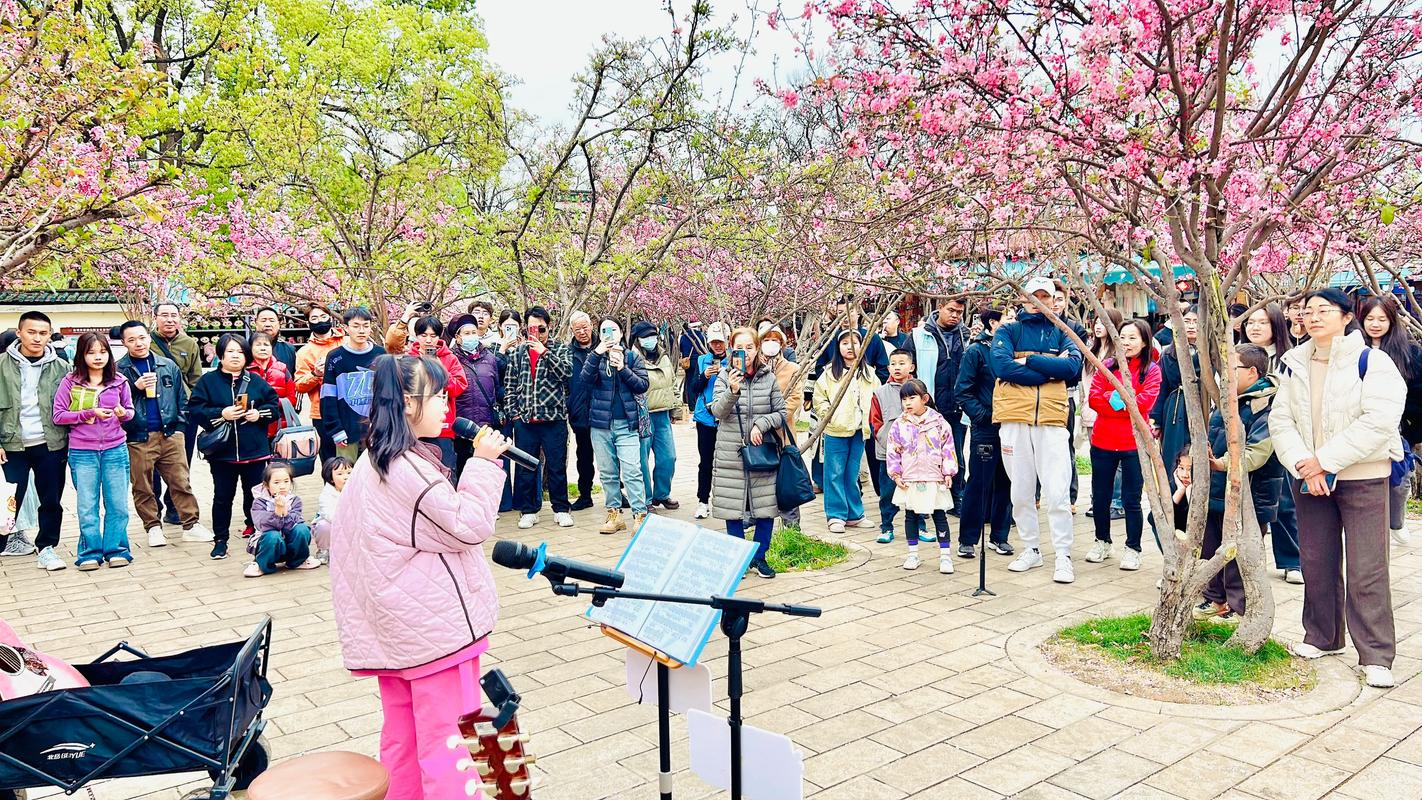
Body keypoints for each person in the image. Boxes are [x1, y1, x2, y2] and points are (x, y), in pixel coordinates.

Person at [330, 353, 512, 799]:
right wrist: (486, 463)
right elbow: (467, 526)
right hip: (433, 632)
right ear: (409, 403)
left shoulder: (377, 460)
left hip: (398, 633)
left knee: (405, 740)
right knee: (453, 744)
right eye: (440, 397)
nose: (448, 407)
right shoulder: (409, 469)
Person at [1270, 288, 1405, 689]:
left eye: (1323, 311)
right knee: (1316, 559)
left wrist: (1325, 460)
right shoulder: (1293, 363)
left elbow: (1378, 420)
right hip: (1310, 477)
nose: (1312, 317)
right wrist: (1303, 463)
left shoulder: (1372, 362)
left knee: (1368, 567)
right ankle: (1322, 636)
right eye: (1307, 311)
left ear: (1348, 317)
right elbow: (1281, 422)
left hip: (1361, 476)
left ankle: (1376, 654)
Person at [992, 277, 1083, 584]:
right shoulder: (1008, 329)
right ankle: (1031, 548)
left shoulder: (1062, 330)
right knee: (1020, 490)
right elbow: (1002, 367)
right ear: (1022, 298)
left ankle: (1062, 555)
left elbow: (1071, 369)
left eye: (1045, 295)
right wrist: (1048, 369)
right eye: (1033, 295)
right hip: (1014, 418)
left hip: (1052, 420)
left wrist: (1028, 359)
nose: (1038, 300)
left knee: (1057, 492)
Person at [1192, 344, 1284, 622]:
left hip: (1250, 493)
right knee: (1212, 548)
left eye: (1233, 369)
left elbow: (1257, 452)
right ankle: (1214, 599)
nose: (1226, 375)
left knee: (1239, 555)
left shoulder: (1267, 405)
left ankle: (1238, 606)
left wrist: (1222, 464)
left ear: (1253, 372)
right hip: (1217, 488)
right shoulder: (1228, 400)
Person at [116, 320, 210, 549]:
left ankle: (191, 524)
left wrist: (180, 426)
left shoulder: (167, 365)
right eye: (131, 340)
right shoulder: (119, 370)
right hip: (138, 434)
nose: (138, 343)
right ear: (124, 343)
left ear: (148, 337)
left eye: (141, 337)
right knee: (143, 485)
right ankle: (153, 527)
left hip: (170, 432)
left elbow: (181, 397)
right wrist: (133, 386)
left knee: (180, 480)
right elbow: (113, 400)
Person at [189, 334, 280, 560]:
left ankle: (259, 534)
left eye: (240, 352)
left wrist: (258, 414)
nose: (236, 356)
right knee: (222, 497)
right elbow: (195, 410)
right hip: (222, 453)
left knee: (256, 496)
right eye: (230, 351)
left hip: (255, 451)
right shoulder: (208, 382)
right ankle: (221, 540)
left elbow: (274, 407)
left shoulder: (256, 381)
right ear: (220, 356)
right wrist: (221, 413)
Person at [53, 332, 134, 570]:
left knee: (117, 503)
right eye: (91, 352)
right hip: (82, 451)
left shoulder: (119, 381)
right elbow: (58, 416)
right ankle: (89, 552)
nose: (98, 357)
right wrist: (89, 413)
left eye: (102, 351)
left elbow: (130, 412)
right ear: (81, 355)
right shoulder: (70, 381)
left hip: (115, 449)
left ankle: (117, 549)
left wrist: (122, 413)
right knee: (87, 505)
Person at [1084, 319, 1161, 570]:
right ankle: (1102, 541)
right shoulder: (1106, 366)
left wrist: (1115, 400)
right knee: (1101, 497)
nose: (1126, 343)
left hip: (1133, 442)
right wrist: (1123, 401)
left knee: (1131, 499)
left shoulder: (1151, 370)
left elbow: (1145, 403)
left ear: (1145, 341)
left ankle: (1133, 547)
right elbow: (1094, 400)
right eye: (1123, 337)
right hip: (1103, 440)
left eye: (1133, 338)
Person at [710, 327, 786, 579]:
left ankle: (759, 557)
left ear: (757, 349)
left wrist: (761, 425)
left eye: (750, 347)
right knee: (733, 508)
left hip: (761, 449)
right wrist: (732, 390)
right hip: (730, 451)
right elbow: (718, 413)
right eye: (739, 348)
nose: (745, 352)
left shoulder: (768, 378)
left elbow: (781, 413)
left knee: (765, 506)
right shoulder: (724, 376)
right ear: (732, 349)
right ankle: (738, 561)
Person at [0, 312, 71, 570]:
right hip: (11, 445)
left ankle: (47, 548)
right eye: (31, 332)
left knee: (50, 499)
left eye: (43, 333)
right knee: (8, 501)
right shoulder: (1, 365)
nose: (37, 338)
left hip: (51, 444)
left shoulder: (62, 368)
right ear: (19, 333)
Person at [1241, 301, 1301, 582]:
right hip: (1246, 433)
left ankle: (1291, 560)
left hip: (1282, 433)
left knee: (1284, 500)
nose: (1255, 327)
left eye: (1262, 322)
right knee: (1249, 500)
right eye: (1251, 321)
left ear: (1276, 324)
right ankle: (1247, 560)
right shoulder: (1237, 355)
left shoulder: (1290, 358)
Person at [502, 307, 575, 530]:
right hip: (525, 420)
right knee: (525, 467)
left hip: (553, 418)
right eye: (533, 328)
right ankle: (528, 510)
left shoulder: (560, 349)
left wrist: (545, 352)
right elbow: (510, 385)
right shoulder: (516, 353)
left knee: (556, 466)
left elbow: (567, 374)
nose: (537, 333)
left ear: (549, 327)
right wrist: (514, 413)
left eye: (541, 329)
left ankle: (561, 508)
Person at [1357, 294, 1422, 547]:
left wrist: (1408, 427)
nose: (1375, 324)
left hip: (1396, 424)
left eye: (1381, 319)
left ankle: (1396, 520)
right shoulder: (1353, 349)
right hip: (1360, 423)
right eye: (1370, 318)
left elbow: (1418, 392)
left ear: (1391, 321)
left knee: (1399, 477)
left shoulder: (1410, 352)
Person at [955, 310, 1014, 557]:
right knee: (978, 482)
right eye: (1009, 318)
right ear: (993, 322)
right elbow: (962, 390)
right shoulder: (976, 351)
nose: (1015, 323)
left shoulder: (1016, 349)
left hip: (1013, 426)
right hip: (986, 428)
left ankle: (999, 536)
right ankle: (967, 539)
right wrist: (983, 416)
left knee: (1007, 482)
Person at [582, 319, 650, 533]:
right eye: (604, 330)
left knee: (632, 470)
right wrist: (596, 353)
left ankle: (640, 515)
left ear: (621, 333)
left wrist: (622, 368)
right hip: (601, 425)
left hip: (627, 424)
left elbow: (642, 385)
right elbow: (584, 380)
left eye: (613, 330)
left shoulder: (632, 356)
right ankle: (614, 515)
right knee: (607, 472)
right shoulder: (595, 357)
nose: (609, 334)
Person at [886, 379, 959, 573]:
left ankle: (945, 556)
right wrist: (895, 473)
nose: (907, 403)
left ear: (924, 399)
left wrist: (948, 472)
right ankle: (913, 554)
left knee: (939, 514)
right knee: (910, 514)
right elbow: (893, 450)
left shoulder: (939, 423)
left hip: (934, 476)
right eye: (904, 399)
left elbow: (949, 449)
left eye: (912, 398)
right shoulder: (899, 424)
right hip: (910, 477)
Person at [905, 296, 968, 512]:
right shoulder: (919, 336)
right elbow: (907, 370)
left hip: (959, 407)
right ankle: (925, 499)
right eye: (951, 310)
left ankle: (956, 497)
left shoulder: (966, 336)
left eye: (959, 312)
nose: (955, 315)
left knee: (956, 454)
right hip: (930, 407)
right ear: (939, 307)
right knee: (925, 454)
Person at [813, 329, 879, 533]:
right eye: (845, 343)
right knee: (834, 473)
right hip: (836, 429)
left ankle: (854, 514)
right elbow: (819, 397)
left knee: (852, 473)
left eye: (855, 343)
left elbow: (877, 397)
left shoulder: (869, 373)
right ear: (838, 347)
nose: (850, 347)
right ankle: (835, 515)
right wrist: (829, 415)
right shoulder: (829, 373)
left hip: (859, 430)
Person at [388, 315, 469, 471]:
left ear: (439, 336)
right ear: (416, 336)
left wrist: (440, 370)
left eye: (433, 336)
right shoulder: (408, 359)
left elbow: (459, 387)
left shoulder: (449, 358)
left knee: (445, 471)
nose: (428, 340)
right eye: (423, 335)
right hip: (413, 425)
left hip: (442, 426)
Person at [151, 302, 203, 525]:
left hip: (183, 412)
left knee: (181, 462)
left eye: (174, 315)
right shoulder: (146, 342)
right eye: (164, 315)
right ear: (155, 318)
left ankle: (174, 507)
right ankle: (154, 509)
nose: (169, 319)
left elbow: (196, 378)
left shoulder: (189, 343)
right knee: (151, 463)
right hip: (153, 410)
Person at [322, 307, 385, 461]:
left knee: (376, 476)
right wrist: (336, 430)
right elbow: (328, 398)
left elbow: (387, 395)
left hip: (376, 431)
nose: (361, 330)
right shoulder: (335, 357)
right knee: (346, 476)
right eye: (356, 326)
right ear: (346, 328)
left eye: (366, 325)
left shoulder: (381, 354)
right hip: (346, 430)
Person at [444, 313, 502, 481]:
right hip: (462, 426)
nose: (471, 336)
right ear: (458, 337)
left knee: (485, 472)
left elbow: (496, 388)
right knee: (463, 469)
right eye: (466, 333)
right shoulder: (451, 359)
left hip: (486, 426)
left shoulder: (490, 358)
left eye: (474, 332)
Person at [1081, 309, 1125, 521]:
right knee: (1097, 460)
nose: (1098, 325)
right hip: (1091, 412)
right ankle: (1098, 501)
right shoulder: (1090, 350)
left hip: (1112, 413)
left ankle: (1116, 503)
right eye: (1096, 321)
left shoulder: (1119, 354)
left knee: (1115, 462)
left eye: (1103, 322)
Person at [1153, 305, 1200, 496]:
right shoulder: (1167, 354)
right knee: (1173, 455)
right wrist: (1155, 420)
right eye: (1186, 321)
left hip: (1203, 408)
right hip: (1174, 410)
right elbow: (1160, 388)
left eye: (1195, 322)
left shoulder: (1211, 354)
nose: (1190, 326)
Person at [633, 321, 679, 511]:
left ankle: (662, 493)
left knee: (668, 457)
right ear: (636, 340)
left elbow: (673, 383)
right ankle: (646, 499)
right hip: (642, 416)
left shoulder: (664, 357)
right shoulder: (632, 359)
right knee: (642, 460)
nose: (650, 340)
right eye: (645, 337)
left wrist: (675, 408)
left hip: (663, 416)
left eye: (652, 335)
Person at [244, 461, 320, 577]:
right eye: (276, 482)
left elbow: (295, 521)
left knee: (302, 529)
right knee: (272, 535)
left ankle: (297, 561)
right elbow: (263, 526)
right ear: (266, 484)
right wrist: (278, 512)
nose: (282, 486)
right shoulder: (259, 502)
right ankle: (262, 565)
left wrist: (284, 511)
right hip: (269, 544)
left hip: (289, 543)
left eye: (286, 481)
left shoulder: (295, 500)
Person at [869, 349, 913, 543]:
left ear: (911, 367)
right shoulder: (880, 392)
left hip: (915, 454)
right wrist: (888, 441)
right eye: (893, 363)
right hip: (888, 453)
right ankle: (886, 526)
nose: (897, 367)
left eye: (902, 363)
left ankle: (918, 525)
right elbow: (875, 423)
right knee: (887, 492)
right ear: (888, 367)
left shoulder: (919, 390)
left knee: (915, 490)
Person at [1054, 284, 1090, 511]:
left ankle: (1070, 496)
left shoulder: (1075, 328)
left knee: (1066, 446)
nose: (1055, 303)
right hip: (1036, 394)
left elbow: (1075, 369)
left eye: (1059, 298)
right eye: (1051, 298)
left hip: (1065, 394)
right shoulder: (1034, 326)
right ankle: (1037, 495)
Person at [689, 323, 730, 519]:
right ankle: (702, 501)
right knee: (705, 461)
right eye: (714, 342)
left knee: (729, 462)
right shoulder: (702, 360)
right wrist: (704, 376)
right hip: (705, 418)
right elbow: (694, 388)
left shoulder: (735, 361)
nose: (718, 346)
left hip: (727, 417)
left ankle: (727, 501)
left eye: (720, 342)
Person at [295, 304, 344, 464]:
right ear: (308, 322)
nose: (320, 321)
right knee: (330, 462)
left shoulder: (346, 342)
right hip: (321, 413)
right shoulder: (304, 352)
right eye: (314, 318)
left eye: (323, 317)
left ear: (330, 318)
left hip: (349, 408)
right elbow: (299, 386)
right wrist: (315, 374)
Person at [567, 311, 597, 511]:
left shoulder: (604, 347)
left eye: (585, 327)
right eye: (577, 329)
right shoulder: (568, 352)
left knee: (611, 455)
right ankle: (585, 494)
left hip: (604, 410)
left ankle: (616, 493)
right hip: (580, 412)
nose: (582, 332)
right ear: (572, 330)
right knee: (584, 456)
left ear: (592, 326)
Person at [249, 332, 298, 440]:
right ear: (250, 348)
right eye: (258, 345)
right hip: (252, 429)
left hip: (280, 429)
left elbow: (292, 399)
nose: (262, 348)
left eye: (266, 345)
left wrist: (272, 403)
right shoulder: (245, 370)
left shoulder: (282, 369)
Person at [312, 455, 352, 566]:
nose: (346, 477)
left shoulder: (357, 490)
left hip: (352, 525)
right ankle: (324, 550)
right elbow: (328, 513)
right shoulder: (327, 494)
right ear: (330, 479)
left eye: (349, 473)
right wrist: (344, 520)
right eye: (340, 474)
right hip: (334, 523)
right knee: (323, 525)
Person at [252, 306, 299, 376]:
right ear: (256, 323)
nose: (268, 324)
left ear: (279, 324)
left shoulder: (289, 349)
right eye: (263, 320)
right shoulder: (246, 347)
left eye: (272, 320)